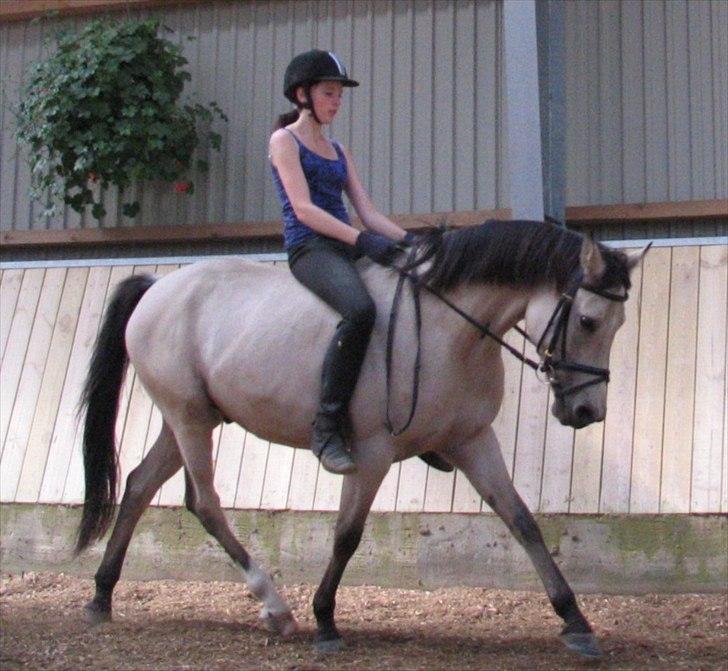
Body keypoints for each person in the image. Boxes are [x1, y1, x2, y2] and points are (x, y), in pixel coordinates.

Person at [270, 49, 452, 477]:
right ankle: (327, 427)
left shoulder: (338, 150)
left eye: (339, 96)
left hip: (347, 244)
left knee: (412, 298)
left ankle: (410, 422)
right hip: (311, 248)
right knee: (360, 311)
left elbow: (368, 213)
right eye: (329, 93)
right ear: (302, 95)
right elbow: (303, 210)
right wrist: (362, 242)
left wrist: (412, 244)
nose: (336, 102)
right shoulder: (284, 142)